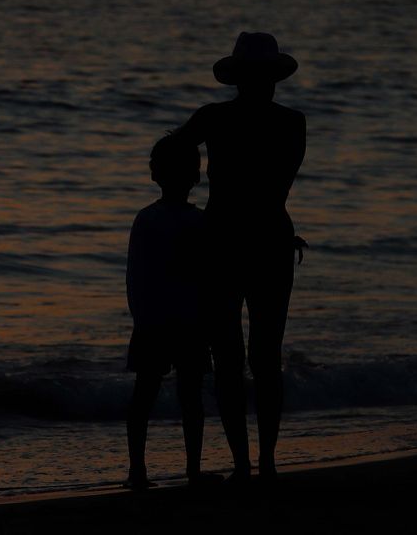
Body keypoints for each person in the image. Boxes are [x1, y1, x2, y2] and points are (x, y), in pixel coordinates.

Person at [172, 31, 306, 484]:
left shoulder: (214, 118)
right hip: (269, 238)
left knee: (232, 357)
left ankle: (246, 464)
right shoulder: (292, 123)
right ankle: (261, 462)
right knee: (264, 357)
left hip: (224, 240)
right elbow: (277, 183)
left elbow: (169, 150)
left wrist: (180, 202)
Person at [123, 135, 219, 490]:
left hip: (155, 320)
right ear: (196, 176)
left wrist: (140, 317)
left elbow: (135, 275)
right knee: (189, 397)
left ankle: (138, 470)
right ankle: (192, 469)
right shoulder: (200, 222)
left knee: (144, 394)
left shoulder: (147, 219)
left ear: (154, 175)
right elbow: (211, 277)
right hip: (189, 321)